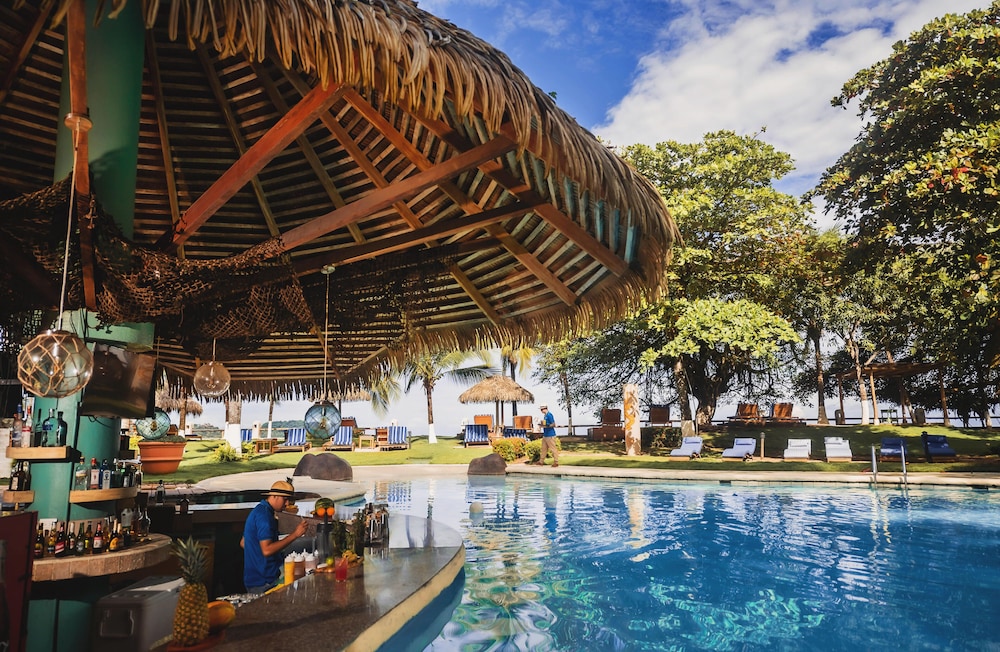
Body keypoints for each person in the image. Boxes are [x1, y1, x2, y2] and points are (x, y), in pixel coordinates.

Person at [241, 480, 309, 594]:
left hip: (253, 578)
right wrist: (295, 534)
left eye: (289, 500)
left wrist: (258, 557)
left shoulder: (259, 510)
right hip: (265, 581)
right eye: (285, 499)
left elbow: (243, 542)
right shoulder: (265, 517)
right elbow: (267, 550)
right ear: (274, 496)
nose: (287, 504)